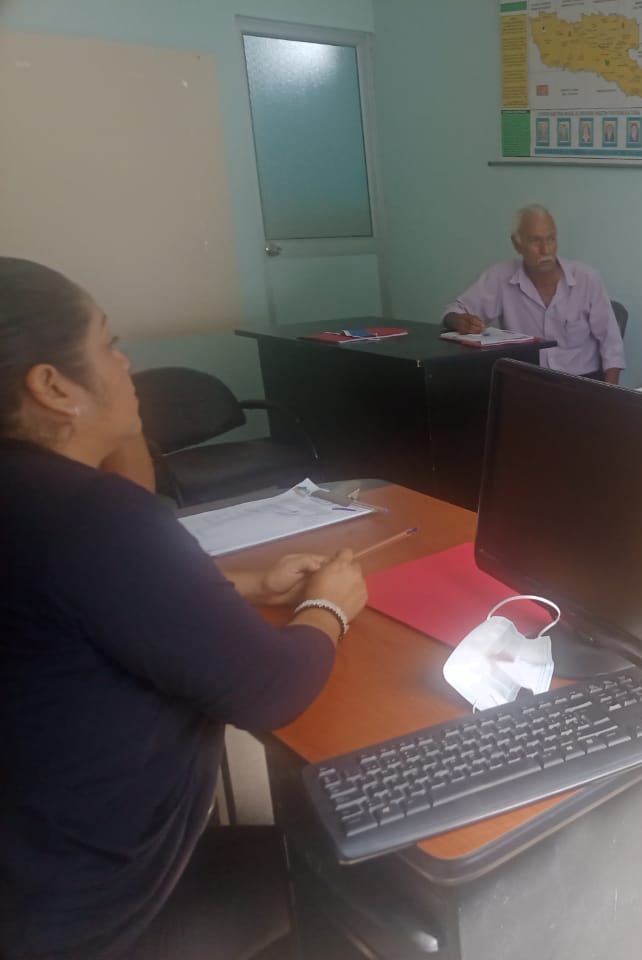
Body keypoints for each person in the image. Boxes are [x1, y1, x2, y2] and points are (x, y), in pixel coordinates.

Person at [0, 257, 368, 959]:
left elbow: (106, 584)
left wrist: (248, 585)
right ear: (52, 386)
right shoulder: (89, 518)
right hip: (94, 922)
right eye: (109, 344)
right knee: (357, 867)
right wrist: (330, 604)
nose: (126, 363)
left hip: (28, 874)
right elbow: (274, 688)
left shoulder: (37, 500)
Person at [443, 204, 626, 383]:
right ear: (517, 244)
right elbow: (455, 310)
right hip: (525, 382)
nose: (545, 250)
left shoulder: (586, 278)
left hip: (580, 382)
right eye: (535, 241)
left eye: (550, 239)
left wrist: (608, 395)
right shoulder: (500, 277)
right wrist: (457, 320)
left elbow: (612, 345)